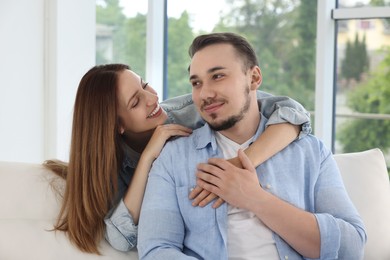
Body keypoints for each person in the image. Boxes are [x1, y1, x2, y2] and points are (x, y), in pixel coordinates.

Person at [137, 32, 367, 259]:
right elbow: (157, 250)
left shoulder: (310, 152)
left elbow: (351, 247)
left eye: (218, 76)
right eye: (196, 83)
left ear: (254, 78)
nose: (205, 93)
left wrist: (255, 198)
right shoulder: (174, 158)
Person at [44, 62, 310, 254]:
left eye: (145, 85)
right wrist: (149, 157)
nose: (152, 98)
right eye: (136, 102)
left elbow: (291, 112)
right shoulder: (111, 166)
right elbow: (121, 237)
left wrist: (238, 164)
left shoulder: (188, 112)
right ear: (117, 126)